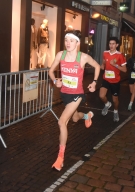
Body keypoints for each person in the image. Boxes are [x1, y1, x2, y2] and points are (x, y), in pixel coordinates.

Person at [48, 30, 100, 171]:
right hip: (65, 93)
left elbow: (97, 66)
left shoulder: (83, 57)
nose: (68, 43)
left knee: (61, 121)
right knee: (75, 118)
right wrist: (55, 81)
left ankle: (60, 158)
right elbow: (51, 71)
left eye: (71, 40)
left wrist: (94, 82)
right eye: (66, 40)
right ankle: (87, 115)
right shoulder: (61, 55)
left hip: (77, 94)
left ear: (77, 43)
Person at [99, 37, 127, 122]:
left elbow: (125, 70)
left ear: (117, 45)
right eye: (110, 43)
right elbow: (104, 61)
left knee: (115, 100)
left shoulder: (120, 55)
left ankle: (115, 111)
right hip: (106, 79)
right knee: (101, 96)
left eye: (113, 44)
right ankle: (107, 104)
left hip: (115, 81)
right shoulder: (105, 53)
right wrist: (102, 66)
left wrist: (115, 65)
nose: (111, 45)